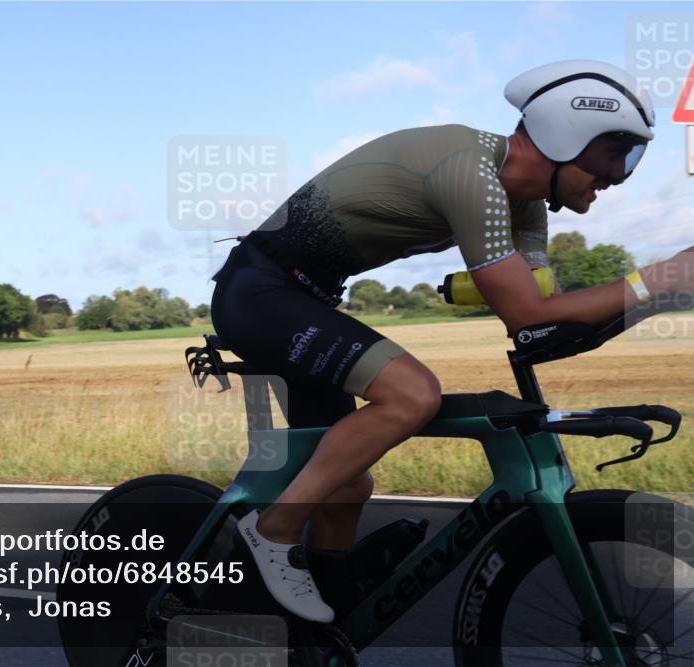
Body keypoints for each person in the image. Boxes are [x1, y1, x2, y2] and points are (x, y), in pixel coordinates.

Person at [210, 59, 694, 623]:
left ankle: (319, 632)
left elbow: (545, 328)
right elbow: (528, 310)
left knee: (347, 484)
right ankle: (274, 530)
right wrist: (655, 278)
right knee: (414, 395)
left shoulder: (526, 208)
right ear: (568, 135)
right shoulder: (472, 173)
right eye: (617, 154)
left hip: (301, 299)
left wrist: (667, 295)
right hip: (260, 291)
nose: (620, 174)